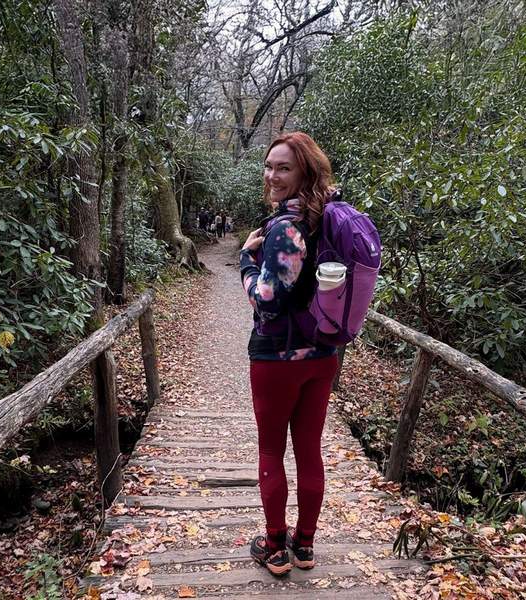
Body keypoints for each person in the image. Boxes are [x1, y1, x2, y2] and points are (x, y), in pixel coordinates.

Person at [239, 132, 339, 576]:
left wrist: (245, 259)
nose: (272, 175)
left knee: (270, 451)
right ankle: (306, 546)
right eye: (269, 165)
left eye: (283, 168)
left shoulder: (286, 226)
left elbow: (268, 299)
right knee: (310, 452)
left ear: (304, 172)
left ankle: (276, 548)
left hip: (278, 359)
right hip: (322, 354)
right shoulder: (328, 217)